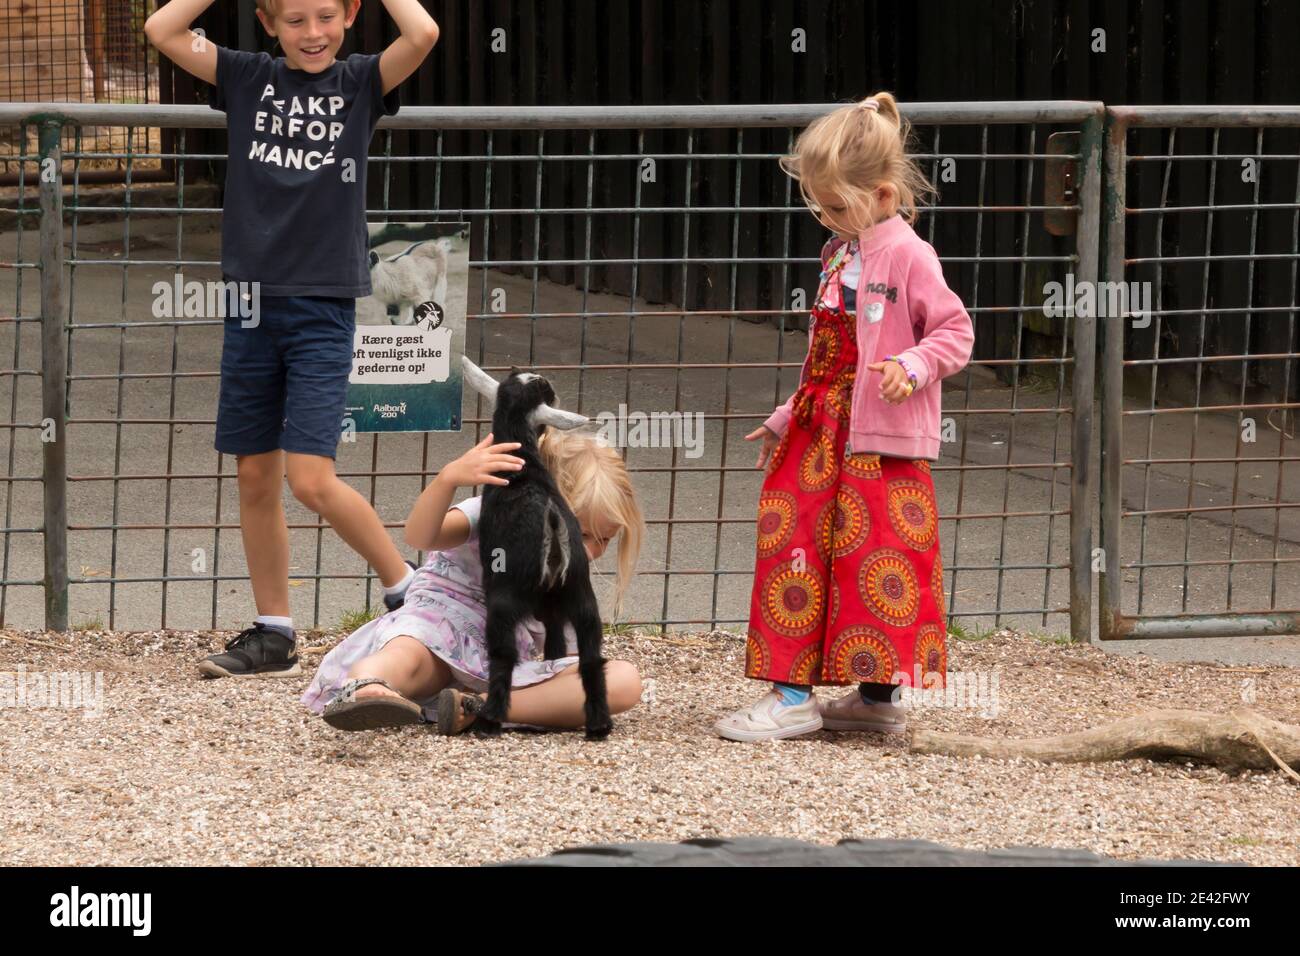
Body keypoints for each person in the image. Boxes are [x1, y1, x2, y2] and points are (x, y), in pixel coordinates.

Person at [144, 0, 441, 678]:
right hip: (249, 302)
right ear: (269, 22)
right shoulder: (246, 77)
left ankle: (406, 589)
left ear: (350, 15)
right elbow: (161, 30)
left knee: (310, 479)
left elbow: (422, 32)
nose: (313, 34)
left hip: (322, 304)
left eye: (326, 17)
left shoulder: (362, 82)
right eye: (296, 20)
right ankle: (274, 632)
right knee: (254, 473)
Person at [714, 93, 975, 742]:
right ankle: (794, 692)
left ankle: (874, 696)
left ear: (884, 196)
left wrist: (911, 367)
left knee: (877, 559)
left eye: (834, 205)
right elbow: (825, 354)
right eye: (818, 204)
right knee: (797, 548)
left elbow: (955, 331)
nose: (824, 217)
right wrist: (785, 415)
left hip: (879, 438)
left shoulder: (909, 256)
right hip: (820, 428)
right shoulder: (840, 252)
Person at [302, 430, 647, 735]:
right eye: (582, 533)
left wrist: (568, 685)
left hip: (496, 671)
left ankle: (475, 708)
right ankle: (365, 686)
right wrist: (447, 480)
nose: (589, 551)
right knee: (407, 654)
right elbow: (421, 535)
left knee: (623, 681)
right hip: (437, 628)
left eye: (604, 540)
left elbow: (567, 655)